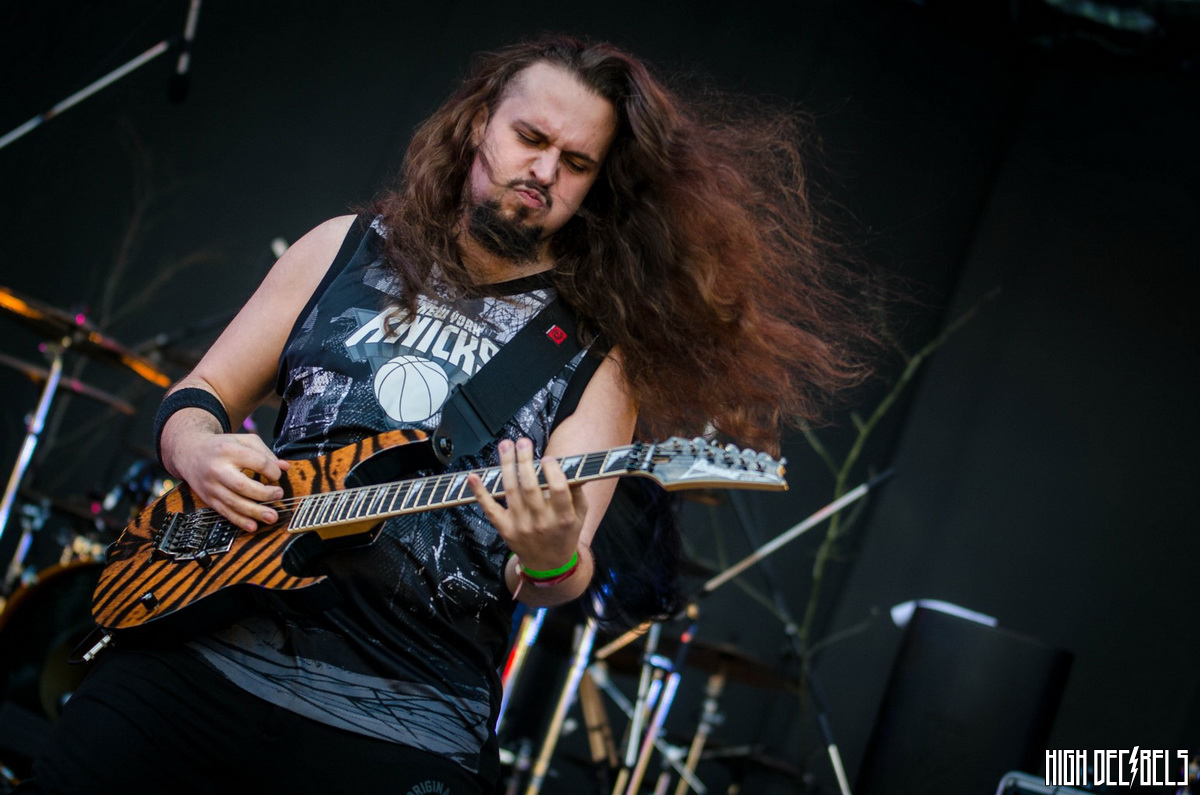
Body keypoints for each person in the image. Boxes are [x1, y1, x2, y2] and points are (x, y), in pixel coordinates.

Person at [19, 35, 878, 794]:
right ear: (477, 127)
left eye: (575, 162)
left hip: (404, 719)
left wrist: (549, 554)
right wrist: (198, 449)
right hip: (200, 651)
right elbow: (200, 394)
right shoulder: (344, 247)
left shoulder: (596, 355)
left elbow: (558, 574)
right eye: (530, 137)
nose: (545, 171)